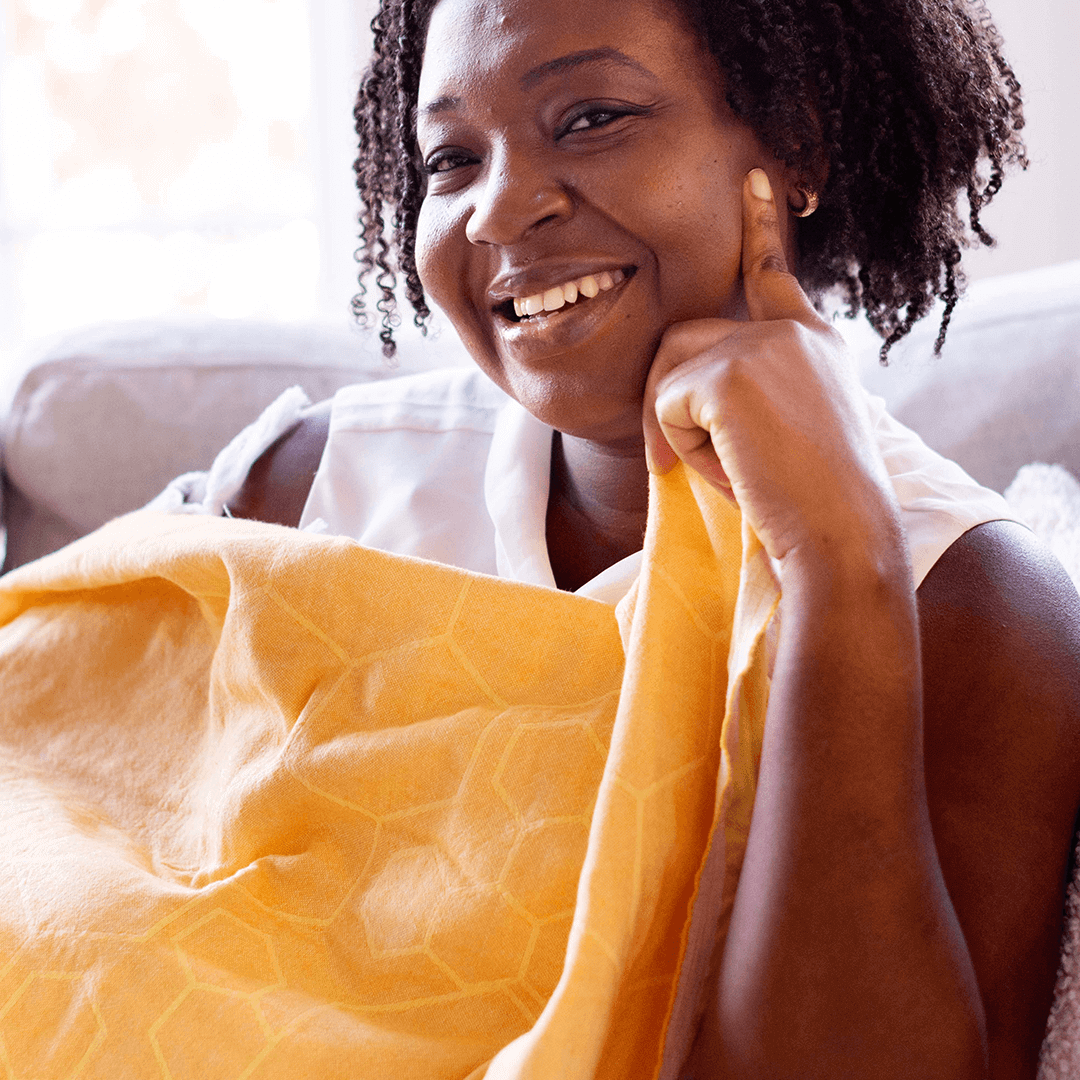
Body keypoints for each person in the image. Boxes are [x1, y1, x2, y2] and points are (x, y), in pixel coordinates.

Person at [182, 0, 1080, 1075]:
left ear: (793, 143)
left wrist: (841, 567)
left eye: (591, 117)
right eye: (452, 157)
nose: (500, 210)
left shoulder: (972, 599)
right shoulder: (309, 487)